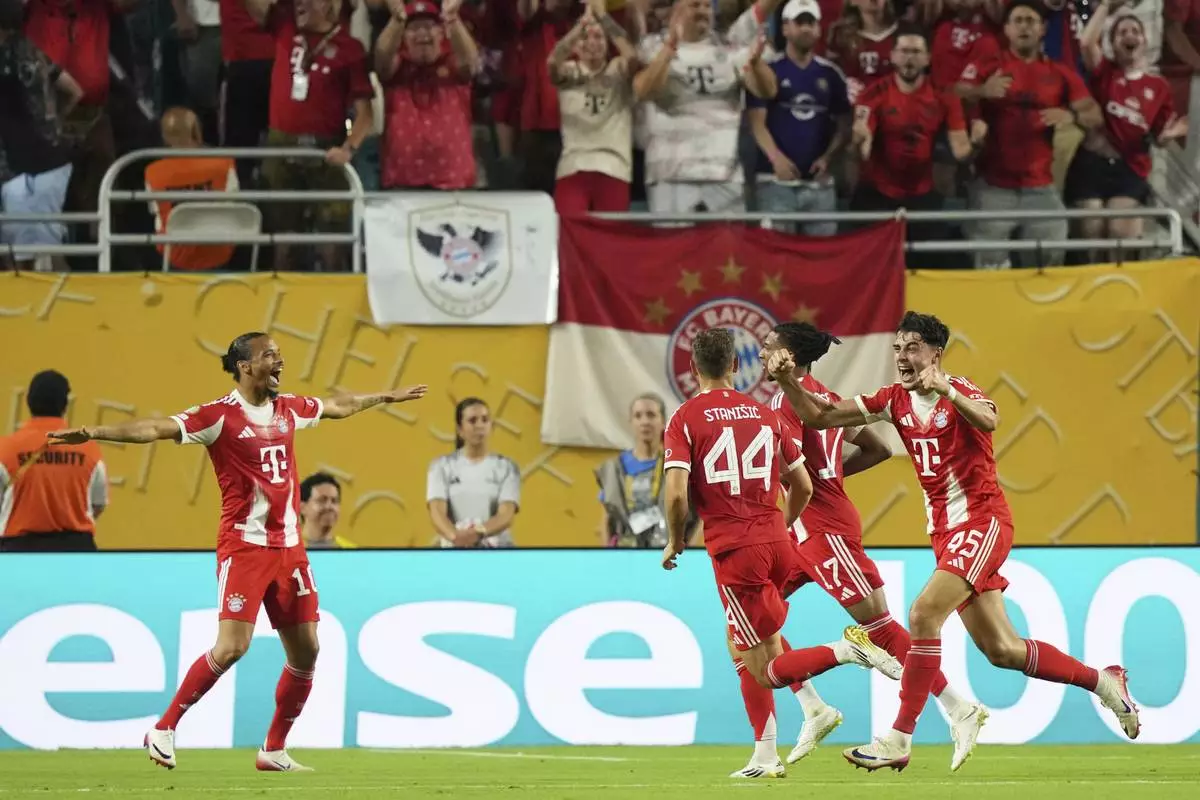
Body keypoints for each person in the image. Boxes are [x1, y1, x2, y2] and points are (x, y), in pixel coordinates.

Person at [765, 311, 1140, 772]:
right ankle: (1105, 683)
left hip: (983, 523)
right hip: (945, 534)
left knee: (922, 614)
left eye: (913, 348)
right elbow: (820, 416)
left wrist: (948, 389)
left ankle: (899, 738)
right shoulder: (892, 400)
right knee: (1002, 650)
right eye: (898, 348)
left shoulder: (961, 392)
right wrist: (788, 382)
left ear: (935, 354)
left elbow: (988, 419)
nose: (903, 357)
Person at [46, 331, 428, 772]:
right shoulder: (218, 417)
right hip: (244, 549)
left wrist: (385, 396)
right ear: (246, 366)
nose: (280, 362)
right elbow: (155, 427)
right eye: (270, 356)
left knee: (307, 652)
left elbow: (338, 406)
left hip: (291, 551)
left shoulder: (288, 409)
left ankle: (273, 749)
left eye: (279, 354)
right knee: (232, 647)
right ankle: (164, 728)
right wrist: (96, 431)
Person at [661, 327, 901, 780]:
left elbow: (675, 496)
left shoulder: (685, 417)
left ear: (693, 369)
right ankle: (779, 740)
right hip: (777, 541)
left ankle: (845, 650)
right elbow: (804, 485)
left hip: (735, 550)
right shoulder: (763, 412)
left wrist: (676, 539)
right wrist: (780, 525)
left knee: (764, 667)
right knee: (744, 641)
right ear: (736, 366)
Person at [760, 322, 987, 770]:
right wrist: (833, 477)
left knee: (881, 629)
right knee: (750, 618)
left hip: (823, 530)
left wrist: (799, 502)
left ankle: (959, 707)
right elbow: (878, 449)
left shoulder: (788, 401)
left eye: (768, 348)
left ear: (789, 355)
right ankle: (811, 708)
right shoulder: (820, 395)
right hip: (808, 530)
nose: (763, 354)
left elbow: (798, 476)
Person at [956, 1, 1102, 269]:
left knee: (1048, 267)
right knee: (987, 270)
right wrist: (982, 92)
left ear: (1043, 29)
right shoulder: (989, 65)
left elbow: (1095, 115)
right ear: (1007, 29)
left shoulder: (1060, 73)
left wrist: (1071, 115)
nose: (1024, 26)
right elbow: (953, 93)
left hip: (1040, 188)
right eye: (1018, 21)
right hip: (993, 187)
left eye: (1031, 21)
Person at [1065, 1, 1187, 262]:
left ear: (1144, 41)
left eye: (1135, 31)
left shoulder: (1159, 86)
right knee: (1092, 231)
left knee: (1121, 234)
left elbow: (1157, 137)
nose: (1129, 35)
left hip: (1128, 169)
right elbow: (1086, 44)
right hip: (1091, 165)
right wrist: (1107, 6)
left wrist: (1168, 136)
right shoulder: (1104, 71)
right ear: (1112, 44)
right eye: (1122, 32)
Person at [851, 25, 982, 267]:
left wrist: (976, 141)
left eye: (915, 52)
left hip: (922, 194)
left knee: (928, 266)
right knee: (871, 267)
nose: (909, 58)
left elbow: (961, 150)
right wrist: (860, 140)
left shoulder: (944, 97)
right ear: (892, 56)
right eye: (903, 51)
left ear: (927, 58)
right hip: (878, 194)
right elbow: (864, 146)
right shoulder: (872, 94)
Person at [634, 0, 778, 214]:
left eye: (707, 6)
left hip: (723, 175)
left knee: (727, 247)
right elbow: (643, 90)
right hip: (670, 173)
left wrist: (756, 63)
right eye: (695, 5)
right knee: (674, 247)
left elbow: (768, 91)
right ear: (677, 10)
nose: (703, 11)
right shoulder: (652, 45)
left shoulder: (731, 47)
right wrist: (669, 48)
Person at [747, 0, 849, 236]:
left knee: (821, 260)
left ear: (819, 28)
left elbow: (844, 126)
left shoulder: (832, 74)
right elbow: (756, 122)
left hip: (819, 186)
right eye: (800, 22)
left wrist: (828, 158)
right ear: (784, 28)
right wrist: (776, 159)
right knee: (775, 261)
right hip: (774, 183)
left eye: (811, 22)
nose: (806, 28)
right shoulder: (768, 70)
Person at [0, 3, 84, 272]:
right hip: (50, 161)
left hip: (28, 167)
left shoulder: (7, 59)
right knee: (38, 253)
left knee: (30, 259)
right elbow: (75, 91)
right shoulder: (34, 51)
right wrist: (54, 122)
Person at [374, 0, 482, 191]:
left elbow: (471, 63)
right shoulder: (397, 67)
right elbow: (381, 58)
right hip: (402, 183)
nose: (422, 33)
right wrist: (397, 19)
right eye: (414, 28)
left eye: (430, 26)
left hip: (454, 182)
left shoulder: (452, 64)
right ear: (403, 37)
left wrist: (452, 19)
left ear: (441, 33)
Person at [0, 371, 107, 552]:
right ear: (65, 405)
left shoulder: (6, 449)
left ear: (29, 402)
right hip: (76, 551)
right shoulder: (89, 450)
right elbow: (98, 504)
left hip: (19, 552)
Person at [549, 0, 637, 214]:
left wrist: (604, 18)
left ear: (607, 44)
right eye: (585, 38)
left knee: (611, 239)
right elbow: (552, 62)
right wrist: (580, 26)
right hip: (573, 166)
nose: (591, 42)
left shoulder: (617, 70)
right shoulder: (570, 72)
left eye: (598, 37)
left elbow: (632, 56)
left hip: (613, 167)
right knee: (571, 235)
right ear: (576, 46)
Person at [596, 393, 699, 548]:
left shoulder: (680, 466)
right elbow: (607, 518)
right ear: (631, 422)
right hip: (625, 555)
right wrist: (608, 557)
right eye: (638, 416)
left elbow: (700, 516)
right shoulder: (614, 469)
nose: (645, 422)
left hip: (668, 557)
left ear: (663, 421)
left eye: (651, 415)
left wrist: (689, 551)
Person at [144, 107, 241, 271]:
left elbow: (155, 211)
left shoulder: (153, 172)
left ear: (164, 136)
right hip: (219, 251)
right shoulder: (224, 162)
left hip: (174, 255)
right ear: (197, 131)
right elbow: (234, 203)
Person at [426, 397, 521, 548]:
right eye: (472, 420)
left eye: (485, 420)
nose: (480, 425)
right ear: (460, 429)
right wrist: (455, 537)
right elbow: (437, 511)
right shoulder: (441, 466)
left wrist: (478, 533)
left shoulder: (507, 467)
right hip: (453, 551)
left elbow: (506, 514)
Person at [300, 472, 355, 549]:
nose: (329, 506)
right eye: (322, 500)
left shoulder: (350, 551)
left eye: (334, 501)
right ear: (302, 507)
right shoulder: (286, 551)